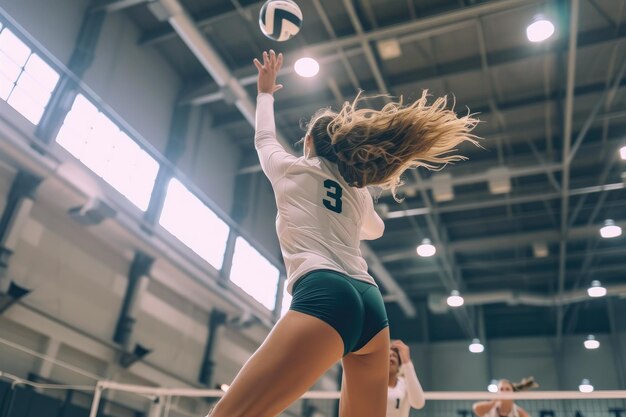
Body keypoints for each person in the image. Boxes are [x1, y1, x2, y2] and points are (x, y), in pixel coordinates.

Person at [208, 49, 479, 417]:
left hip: (325, 294)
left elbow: (263, 138)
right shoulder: (358, 192)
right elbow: (376, 230)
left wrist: (265, 91)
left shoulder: (290, 169)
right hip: (371, 305)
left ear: (307, 144)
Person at [387, 340, 426, 417]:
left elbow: (418, 403)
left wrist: (407, 362)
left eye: (394, 355)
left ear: (399, 364)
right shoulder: (374, 385)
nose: (391, 357)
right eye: (387, 356)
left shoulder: (405, 384)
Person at [473, 378, 538, 417]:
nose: (504, 392)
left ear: (513, 393)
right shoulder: (490, 409)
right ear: (497, 392)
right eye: (501, 389)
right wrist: (494, 401)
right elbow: (476, 408)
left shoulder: (518, 412)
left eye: (507, 389)